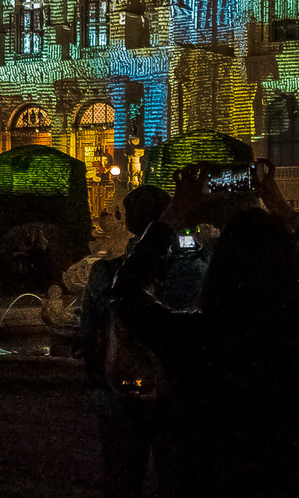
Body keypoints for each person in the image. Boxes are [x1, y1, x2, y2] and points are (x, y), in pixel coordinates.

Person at [113, 161, 299, 498]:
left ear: (222, 270)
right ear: (290, 268)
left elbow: (127, 292)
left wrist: (171, 217)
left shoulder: (197, 339)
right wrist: (289, 216)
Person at [79, 184, 173, 498]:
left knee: (121, 478)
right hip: (174, 392)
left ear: (128, 221)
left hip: (118, 389)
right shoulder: (189, 268)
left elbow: (89, 329)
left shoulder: (106, 271)